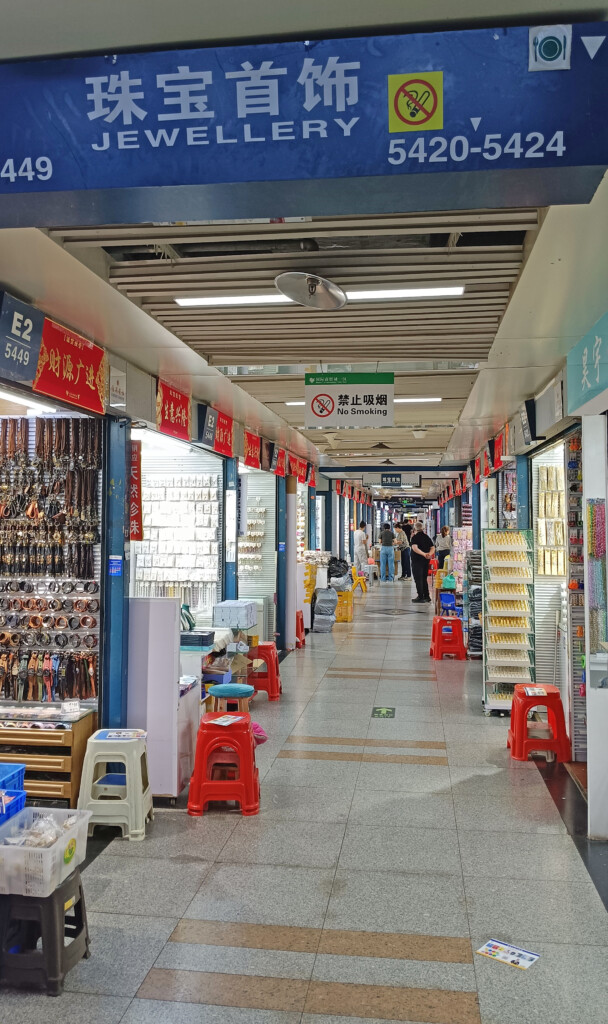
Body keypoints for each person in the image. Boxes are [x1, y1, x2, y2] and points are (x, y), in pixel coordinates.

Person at [410, 521, 435, 603]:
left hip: (417, 561)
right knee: (424, 578)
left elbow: (415, 548)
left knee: (418, 578)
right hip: (425, 561)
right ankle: (427, 596)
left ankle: (420, 596)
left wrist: (424, 554)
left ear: (415, 529)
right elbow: (432, 547)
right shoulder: (426, 537)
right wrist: (429, 554)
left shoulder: (415, 537)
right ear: (423, 528)